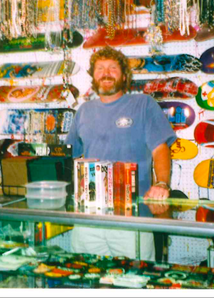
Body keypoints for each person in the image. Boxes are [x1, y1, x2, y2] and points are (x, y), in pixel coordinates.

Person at [65, 46, 177, 261]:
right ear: (93, 76)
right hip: (88, 217)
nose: (106, 73)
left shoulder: (143, 104)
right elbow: (71, 156)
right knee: (85, 279)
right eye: (100, 68)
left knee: (135, 281)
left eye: (112, 68)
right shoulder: (83, 111)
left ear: (124, 76)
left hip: (133, 217)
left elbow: (160, 149)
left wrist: (162, 184)